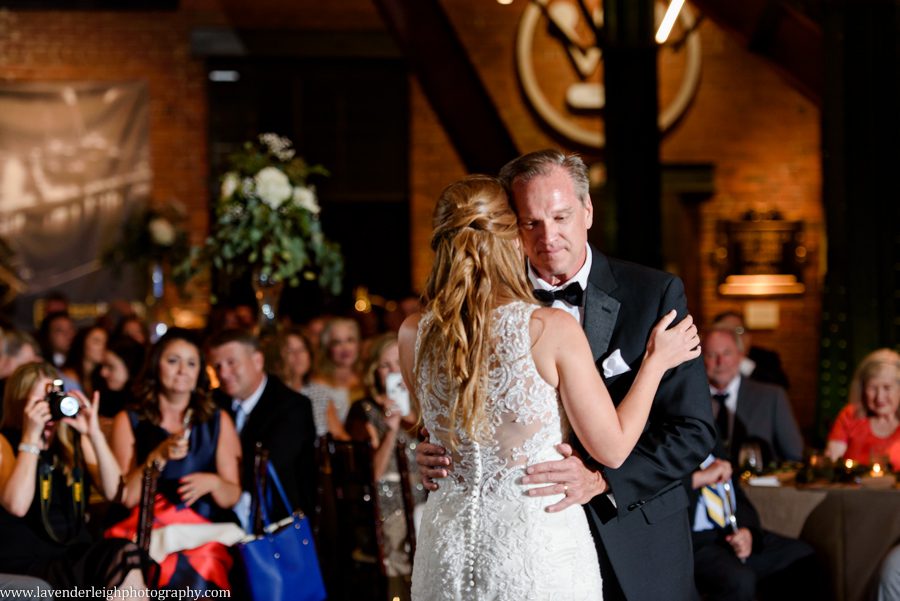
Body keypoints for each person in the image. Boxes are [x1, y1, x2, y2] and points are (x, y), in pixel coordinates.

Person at [417, 151, 716, 601]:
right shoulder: (481, 306)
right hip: (519, 546)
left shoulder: (654, 294)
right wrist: (429, 449)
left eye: (561, 217)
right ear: (509, 226)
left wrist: (603, 481)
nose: (548, 236)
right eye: (530, 222)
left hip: (636, 535)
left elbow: (692, 429)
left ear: (587, 210)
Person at [108, 328, 242, 592]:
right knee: (162, 564)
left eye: (191, 364)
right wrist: (158, 456)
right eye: (173, 361)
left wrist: (214, 483)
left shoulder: (217, 420)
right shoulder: (130, 420)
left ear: (199, 372)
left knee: (206, 559)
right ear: (156, 365)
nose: (182, 370)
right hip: (147, 529)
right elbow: (127, 496)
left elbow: (232, 496)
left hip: (203, 531)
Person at [0, 362, 145, 592]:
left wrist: (94, 433)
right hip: (27, 561)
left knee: (123, 554)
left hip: (73, 553)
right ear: (19, 403)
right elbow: (17, 505)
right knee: (119, 557)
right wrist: (30, 438)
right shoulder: (5, 443)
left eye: (53, 399)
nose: (48, 408)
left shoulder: (71, 443)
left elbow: (117, 492)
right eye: (40, 401)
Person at [208, 329, 318, 525]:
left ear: (257, 361)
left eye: (232, 363)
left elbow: (268, 467)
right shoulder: (213, 403)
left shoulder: (292, 406)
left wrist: (217, 482)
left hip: (275, 520)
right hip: (219, 514)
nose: (223, 374)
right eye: (217, 366)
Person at [346, 333, 426, 600]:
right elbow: (372, 474)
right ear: (375, 371)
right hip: (388, 504)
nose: (394, 371)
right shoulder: (364, 410)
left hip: (426, 498)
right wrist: (391, 430)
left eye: (398, 363)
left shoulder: (425, 407)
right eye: (385, 365)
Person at [688, 453, 823, 601]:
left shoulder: (713, 447)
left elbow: (738, 496)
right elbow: (666, 490)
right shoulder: (673, 448)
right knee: (740, 581)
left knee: (801, 555)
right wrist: (698, 479)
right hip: (694, 541)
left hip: (730, 530)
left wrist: (748, 531)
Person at [703, 327, 804, 465]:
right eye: (711, 355)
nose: (720, 362)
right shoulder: (687, 401)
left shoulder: (772, 397)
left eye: (727, 353)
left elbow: (795, 456)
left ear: (740, 356)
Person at [825, 348, 900, 469]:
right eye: (872, 388)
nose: (879, 397)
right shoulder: (850, 415)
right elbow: (831, 463)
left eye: (887, 388)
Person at [305, 317, 360, 439]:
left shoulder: (367, 381)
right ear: (327, 348)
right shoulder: (318, 385)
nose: (345, 348)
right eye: (337, 342)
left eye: (350, 340)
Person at [713, 311, 789, 389]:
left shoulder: (767, 358)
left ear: (748, 336)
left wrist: (742, 362)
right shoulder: (709, 359)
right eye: (726, 331)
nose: (733, 337)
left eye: (739, 330)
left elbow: (780, 387)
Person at [61, 325, 107, 397]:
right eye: (96, 341)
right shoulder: (67, 379)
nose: (103, 347)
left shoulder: (101, 378)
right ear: (82, 343)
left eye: (106, 342)